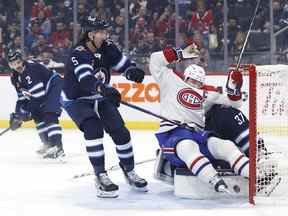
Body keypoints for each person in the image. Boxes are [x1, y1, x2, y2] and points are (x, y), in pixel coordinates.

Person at [61, 16, 147, 198]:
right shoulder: (78, 52)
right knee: (93, 129)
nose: (105, 34)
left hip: (99, 95)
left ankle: (129, 171)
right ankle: (100, 175)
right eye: (101, 32)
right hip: (77, 99)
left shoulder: (107, 47)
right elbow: (86, 79)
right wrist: (103, 88)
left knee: (121, 132)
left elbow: (123, 64)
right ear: (90, 34)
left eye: (105, 31)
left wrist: (132, 71)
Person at [149, 44, 250, 194]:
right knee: (187, 147)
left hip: (198, 133)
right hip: (173, 133)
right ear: (185, 77)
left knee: (225, 145)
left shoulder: (207, 93)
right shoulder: (170, 81)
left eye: (199, 83)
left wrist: (233, 89)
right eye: (192, 81)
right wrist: (180, 53)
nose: (195, 85)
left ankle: (253, 173)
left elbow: (235, 103)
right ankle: (213, 179)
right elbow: (155, 60)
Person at [8, 49, 64, 159]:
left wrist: (25, 114)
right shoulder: (14, 77)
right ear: (10, 65)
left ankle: (57, 147)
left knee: (49, 113)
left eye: (18, 62)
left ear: (22, 60)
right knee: (37, 114)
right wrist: (18, 114)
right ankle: (48, 144)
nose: (17, 66)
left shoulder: (31, 69)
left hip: (54, 85)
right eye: (13, 64)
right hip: (42, 93)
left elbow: (38, 96)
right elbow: (22, 98)